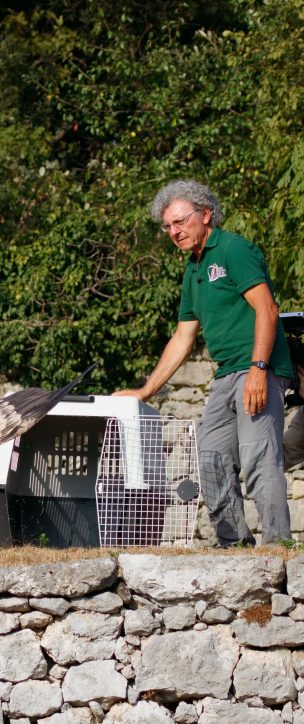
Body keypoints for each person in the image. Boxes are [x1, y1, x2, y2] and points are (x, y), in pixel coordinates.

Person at [116, 179, 294, 547]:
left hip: (256, 369)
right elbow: (183, 337)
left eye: (180, 222)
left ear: (206, 214)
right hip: (225, 376)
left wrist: (259, 370)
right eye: (168, 226)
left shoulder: (233, 249)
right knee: (209, 461)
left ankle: (280, 548)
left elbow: (268, 309)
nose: (174, 231)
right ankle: (234, 545)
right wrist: (145, 390)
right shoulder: (193, 270)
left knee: (260, 460)